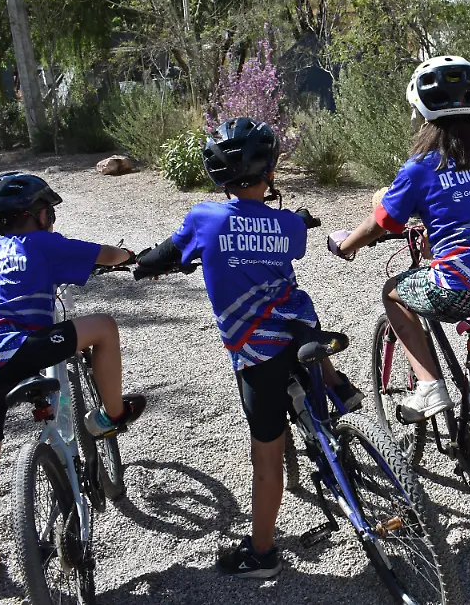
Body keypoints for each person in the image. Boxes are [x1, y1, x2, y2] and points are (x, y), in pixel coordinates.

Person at [135, 117, 362, 578]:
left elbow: (169, 252)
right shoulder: (285, 225)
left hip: (256, 353)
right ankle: (338, 387)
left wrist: (143, 264)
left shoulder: (204, 219)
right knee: (302, 317)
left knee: (267, 456)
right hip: (300, 330)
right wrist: (290, 221)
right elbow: (293, 240)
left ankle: (261, 554)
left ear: (218, 175)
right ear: (271, 172)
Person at [0, 172, 146, 598]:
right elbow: (108, 255)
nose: (53, 220)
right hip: (14, 346)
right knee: (103, 327)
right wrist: (131, 255)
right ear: (38, 215)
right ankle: (110, 415)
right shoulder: (43, 244)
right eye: (51, 212)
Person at [330, 56, 470, 421]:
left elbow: (382, 223)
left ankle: (429, 386)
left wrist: (346, 245)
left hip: (457, 285)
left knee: (393, 292)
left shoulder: (420, 166)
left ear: (420, 109)